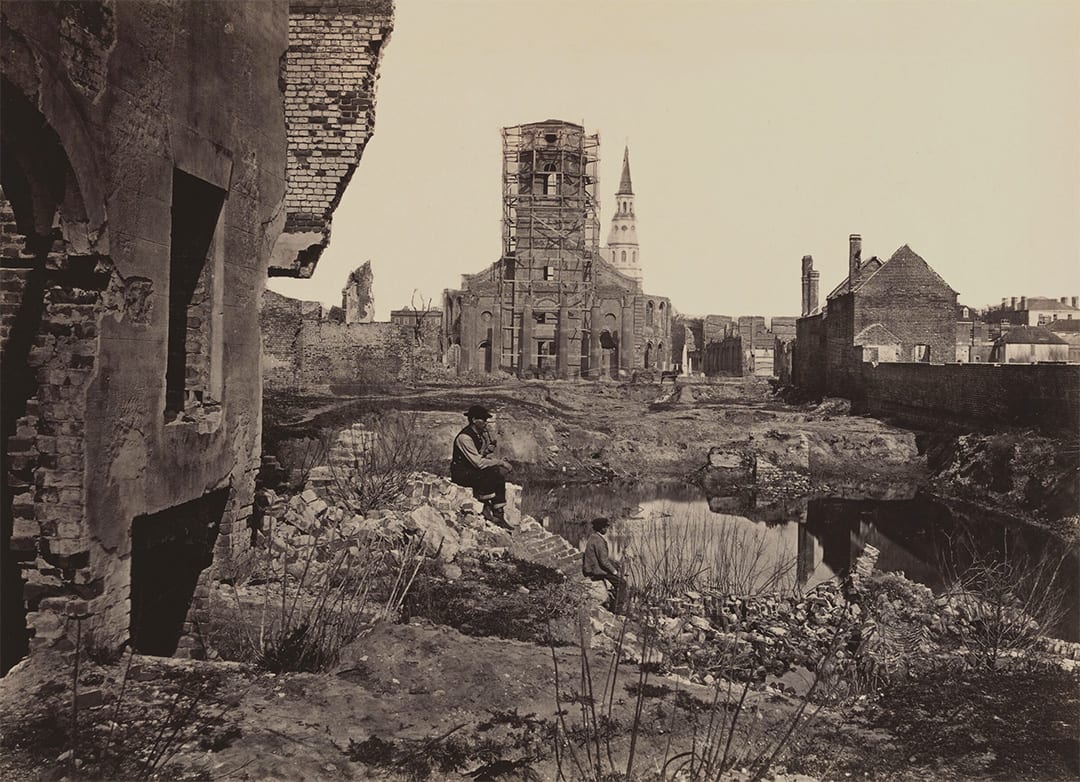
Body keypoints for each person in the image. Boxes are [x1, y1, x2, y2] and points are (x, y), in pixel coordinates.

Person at [450, 404, 513, 526]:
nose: (485, 423)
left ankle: (499, 513)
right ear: (474, 420)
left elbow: (477, 456)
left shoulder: (478, 436)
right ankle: (485, 507)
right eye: (483, 420)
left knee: (497, 474)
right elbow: (478, 462)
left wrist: (487, 451)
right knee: (492, 471)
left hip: (471, 471)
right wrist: (501, 462)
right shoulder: (464, 437)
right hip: (461, 474)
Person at [582, 517, 626, 614]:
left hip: (595, 567)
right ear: (601, 528)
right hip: (597, 570)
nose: (606, 530)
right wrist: (614, 571)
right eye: (605, 527)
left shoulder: (594, 537)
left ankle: (614, 603)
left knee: (617, 578)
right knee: (622, 583)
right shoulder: (598, 541)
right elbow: (603, 561)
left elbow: (603, 559)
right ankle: (617, 609)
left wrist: (614, 565)